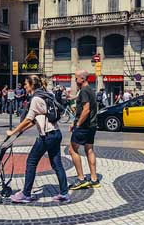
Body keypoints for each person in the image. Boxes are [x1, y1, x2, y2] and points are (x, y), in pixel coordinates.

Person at [7, 75, 70, 203]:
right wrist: (23, 129)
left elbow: (29, 118)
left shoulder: (36, 98)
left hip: (46, 136)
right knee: (57, 163)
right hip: (56, 133)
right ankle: (64, 193)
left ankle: (26, 194)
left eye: (26, 84)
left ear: (31, 85)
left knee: (31, 162)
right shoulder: (46, 95)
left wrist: (14, 131)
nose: (25, 86)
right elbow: (35, 119)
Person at [69, 70, 100, 191]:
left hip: (84, 126)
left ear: (82, 79)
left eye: (76, 79)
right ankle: (94, 179)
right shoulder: (90, 90)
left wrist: (77, 124)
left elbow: (86, 110)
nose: (75, 81)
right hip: (92, 125)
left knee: (72, 150)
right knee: (89, 150)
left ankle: (81, 179)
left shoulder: (84, 91)